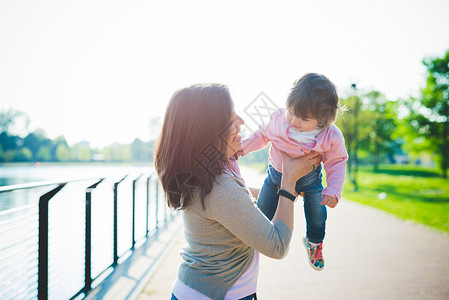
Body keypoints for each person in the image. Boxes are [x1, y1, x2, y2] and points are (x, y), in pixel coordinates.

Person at [154, 83, 321, 300]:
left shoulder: (207, 171)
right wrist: (288, 183)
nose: (241, 122)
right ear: (207, 129)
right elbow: (277, 246)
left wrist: (275, 191)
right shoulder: (219, 187)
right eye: (230, 118)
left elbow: (235, 199)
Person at [240, 73, 348, 271]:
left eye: (304, 119)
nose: (294, 121)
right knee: (263, 211)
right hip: (275, 178)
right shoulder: (279, 120)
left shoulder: (330, 135)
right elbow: (262, 135)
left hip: (310, 181)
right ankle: (251, 242)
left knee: (317, 211)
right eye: (291, 112)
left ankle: (314, 243)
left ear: (323, 120)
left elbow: (337, 162)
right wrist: (244, 147)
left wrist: (333, 189)